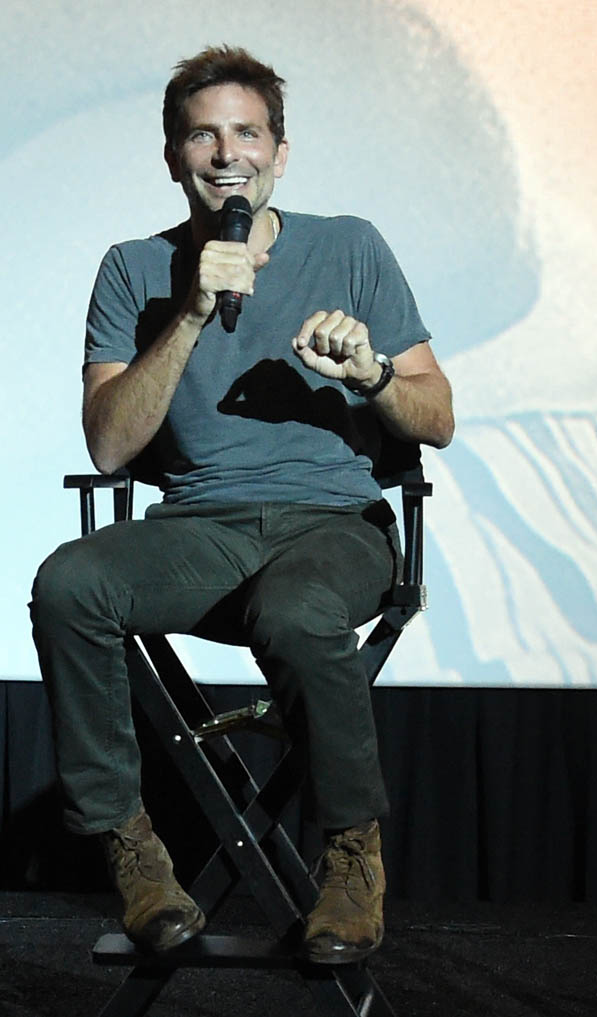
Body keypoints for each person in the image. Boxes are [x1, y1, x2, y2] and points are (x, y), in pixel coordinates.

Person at [29, 46, 453, 964]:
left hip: (333, 525)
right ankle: (134, 852)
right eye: (204, 136)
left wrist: (372, 374)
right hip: (200, 531)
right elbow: (110, 445)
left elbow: (439, 416)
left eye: (248, 133)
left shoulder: (351, 246)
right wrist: (190, 310)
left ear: (280, 153)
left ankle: (351, 858)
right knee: (68, 584)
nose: (229, 154)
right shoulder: (133, 268)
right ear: (174, 157)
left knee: (297, 611)